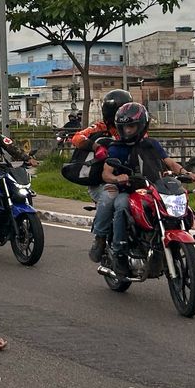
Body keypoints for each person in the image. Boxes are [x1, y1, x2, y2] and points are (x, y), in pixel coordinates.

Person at [98, 101, 193, 260]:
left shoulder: (152, 144)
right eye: (124, 127)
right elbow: (106, 173)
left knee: (177, 201)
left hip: (153, 189)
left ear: (142, 125)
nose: (127, 131)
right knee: (121, 206)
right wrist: (117, 178)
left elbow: (169, 162)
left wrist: (185, 172)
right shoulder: (117, 147)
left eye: (132, 127)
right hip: (127, 190)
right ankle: (119, 249)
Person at [74, 89, 132, 261]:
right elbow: (77, 137)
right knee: (109, 198)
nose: (125, 114)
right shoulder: (101, 127)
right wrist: (96, 147)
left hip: (130, 180)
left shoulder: (134, 128)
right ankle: (99, 239)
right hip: (103, 181)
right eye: (122, 109)